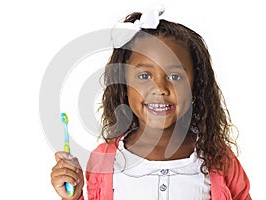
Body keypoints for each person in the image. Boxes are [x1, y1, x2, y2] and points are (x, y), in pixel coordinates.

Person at [51, 6, 251, 200]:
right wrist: (73, 196)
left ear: (196, 85)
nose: (160, 88)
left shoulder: (219, 158)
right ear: (124, 83)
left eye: (175, 76)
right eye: (145, 75)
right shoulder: (104, 161)